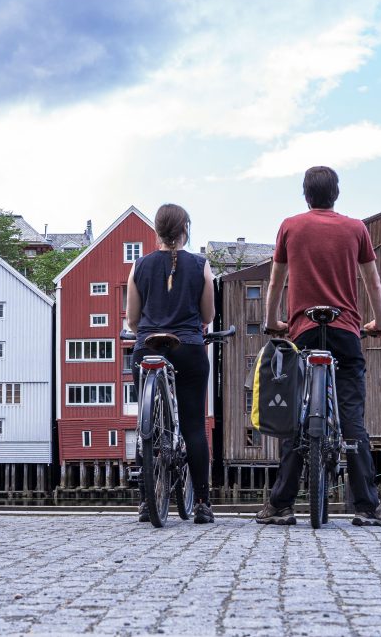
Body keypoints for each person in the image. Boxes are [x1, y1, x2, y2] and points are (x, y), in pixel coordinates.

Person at [258, 166, 381, 526]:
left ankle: (281, 505)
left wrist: (272, 321)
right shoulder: (356, 228)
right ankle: (368, 508)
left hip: (302, 330)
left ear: (305, 195)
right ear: (337, 194)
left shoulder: (290, 226)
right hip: (346, 329)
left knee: (296, 418)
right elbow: (374, 285)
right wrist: (380, 323)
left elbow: (275, 283)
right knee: (352, 418)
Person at [126, 203, 216, 524]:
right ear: (185, 230)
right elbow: (207, 317)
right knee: (193, 425)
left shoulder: (139, 266)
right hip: (189, 348)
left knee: (145, 425)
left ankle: (147, 502)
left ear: (156, 232)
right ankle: (203, 503)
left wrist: (147, 333)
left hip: (148, 349)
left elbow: (132, 320)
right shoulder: (201, 266)